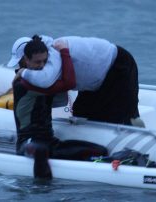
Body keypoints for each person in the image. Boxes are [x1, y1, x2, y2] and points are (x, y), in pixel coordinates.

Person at [11, 35, 107, 179]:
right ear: (25, 60)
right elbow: (69, 83)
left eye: (45, 61)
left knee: (99, 151)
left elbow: (62, 81)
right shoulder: (23, 83)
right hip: (28, 142)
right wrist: (64, 52)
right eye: (37, 62)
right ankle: (43, 193)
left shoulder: (44, 79)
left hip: (50, 141)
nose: (42, 65)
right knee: (40, 149)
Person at [8, 35, 145, 127]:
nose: (21, 67)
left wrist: (23, 73)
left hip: (117, 66)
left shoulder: (51, 55)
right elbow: (61, 99)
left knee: (117, 118)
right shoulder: (44, 58)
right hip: (95, 80)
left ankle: (135, 126)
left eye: (22, 63)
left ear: (28, 57)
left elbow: (47, 81)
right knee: (81, 112)